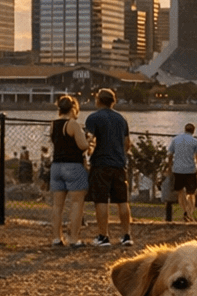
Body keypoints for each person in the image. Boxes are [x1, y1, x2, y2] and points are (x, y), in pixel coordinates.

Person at [84, 88, 133, 247]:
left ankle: (103, 236)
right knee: (122, 201)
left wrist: (87, 151)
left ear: (98, 100)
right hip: (119, 164)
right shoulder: (121, 119)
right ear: (113, 101)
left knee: (101, 200)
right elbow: (127, 143)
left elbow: (89, 139)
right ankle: (126, 235)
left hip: (100, 164)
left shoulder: (93, 118)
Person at [48, 95, 90, 246]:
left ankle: (56, 237)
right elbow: (83, 145)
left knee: (57, 205)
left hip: (56, 166)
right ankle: (73, 238)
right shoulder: (72, 124)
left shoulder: (53, 124)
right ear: (73, 108)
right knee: (76, 203)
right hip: (73, 166)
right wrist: (89, 140)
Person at [169, 123, 197, 221]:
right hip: (190, 169)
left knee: (180, 192)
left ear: (185, 129)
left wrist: (169, 167)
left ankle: (184, 210)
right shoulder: (195, 141)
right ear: (193, 131)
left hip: (178, 169)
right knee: (191, 193)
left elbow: (170, 155)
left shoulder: (175, 139)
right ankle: (189, 212)